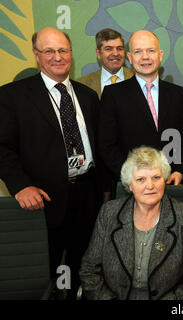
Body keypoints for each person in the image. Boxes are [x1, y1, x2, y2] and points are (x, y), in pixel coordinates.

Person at [0, 27, 102, 298]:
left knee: (84, 265)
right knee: (49, 272)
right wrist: (21, 186)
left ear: (71, 54)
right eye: (49, 51)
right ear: (36, 55)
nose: (57, 57)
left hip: (87, 195)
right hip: (44, 199)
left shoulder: (89, 97)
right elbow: (2, 148)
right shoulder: (12, 96)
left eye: (63, 50)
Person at [80, 146, 183, 300]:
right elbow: (89, 270)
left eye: (156, 177)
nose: (150, 186)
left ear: (164, 179)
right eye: (141, 179)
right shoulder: (109, 213)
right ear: (130, 186)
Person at [98, 30, 183, 184]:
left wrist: (180, 170)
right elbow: (106, 145)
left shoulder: (177, 93)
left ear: (160, 55)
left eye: (151, 51)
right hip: (131, 184)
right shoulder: (113, 94)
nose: (145, 57)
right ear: (130, 58)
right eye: (138, 51)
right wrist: (131, 175)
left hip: (170, 181)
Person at [76, 28, 134, 98]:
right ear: (98, 53)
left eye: (119, 48)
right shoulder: (81, 85)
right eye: (108, 49)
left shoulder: (138, 78)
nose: (115, 54)